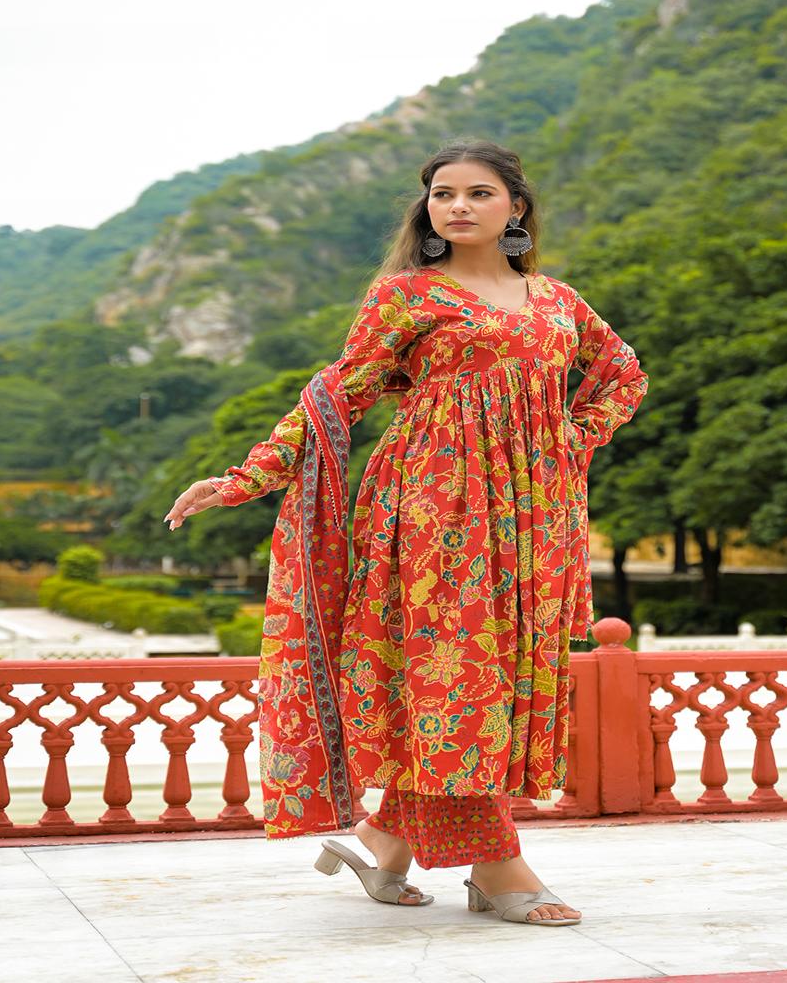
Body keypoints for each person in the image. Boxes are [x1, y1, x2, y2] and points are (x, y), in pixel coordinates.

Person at [163, 139, 649, 925]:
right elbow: (339, 393)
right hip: (432, 505)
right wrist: (246, 477)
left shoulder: (557, 300)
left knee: (498, 675)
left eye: (479, 192)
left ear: (516, 207)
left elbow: (622, 373)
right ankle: (499, 869)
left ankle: (381, 841)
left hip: (537, 512)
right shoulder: (405, 297)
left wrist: (572, 437)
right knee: (454, 675)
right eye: (443, 193)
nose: (457, 206)